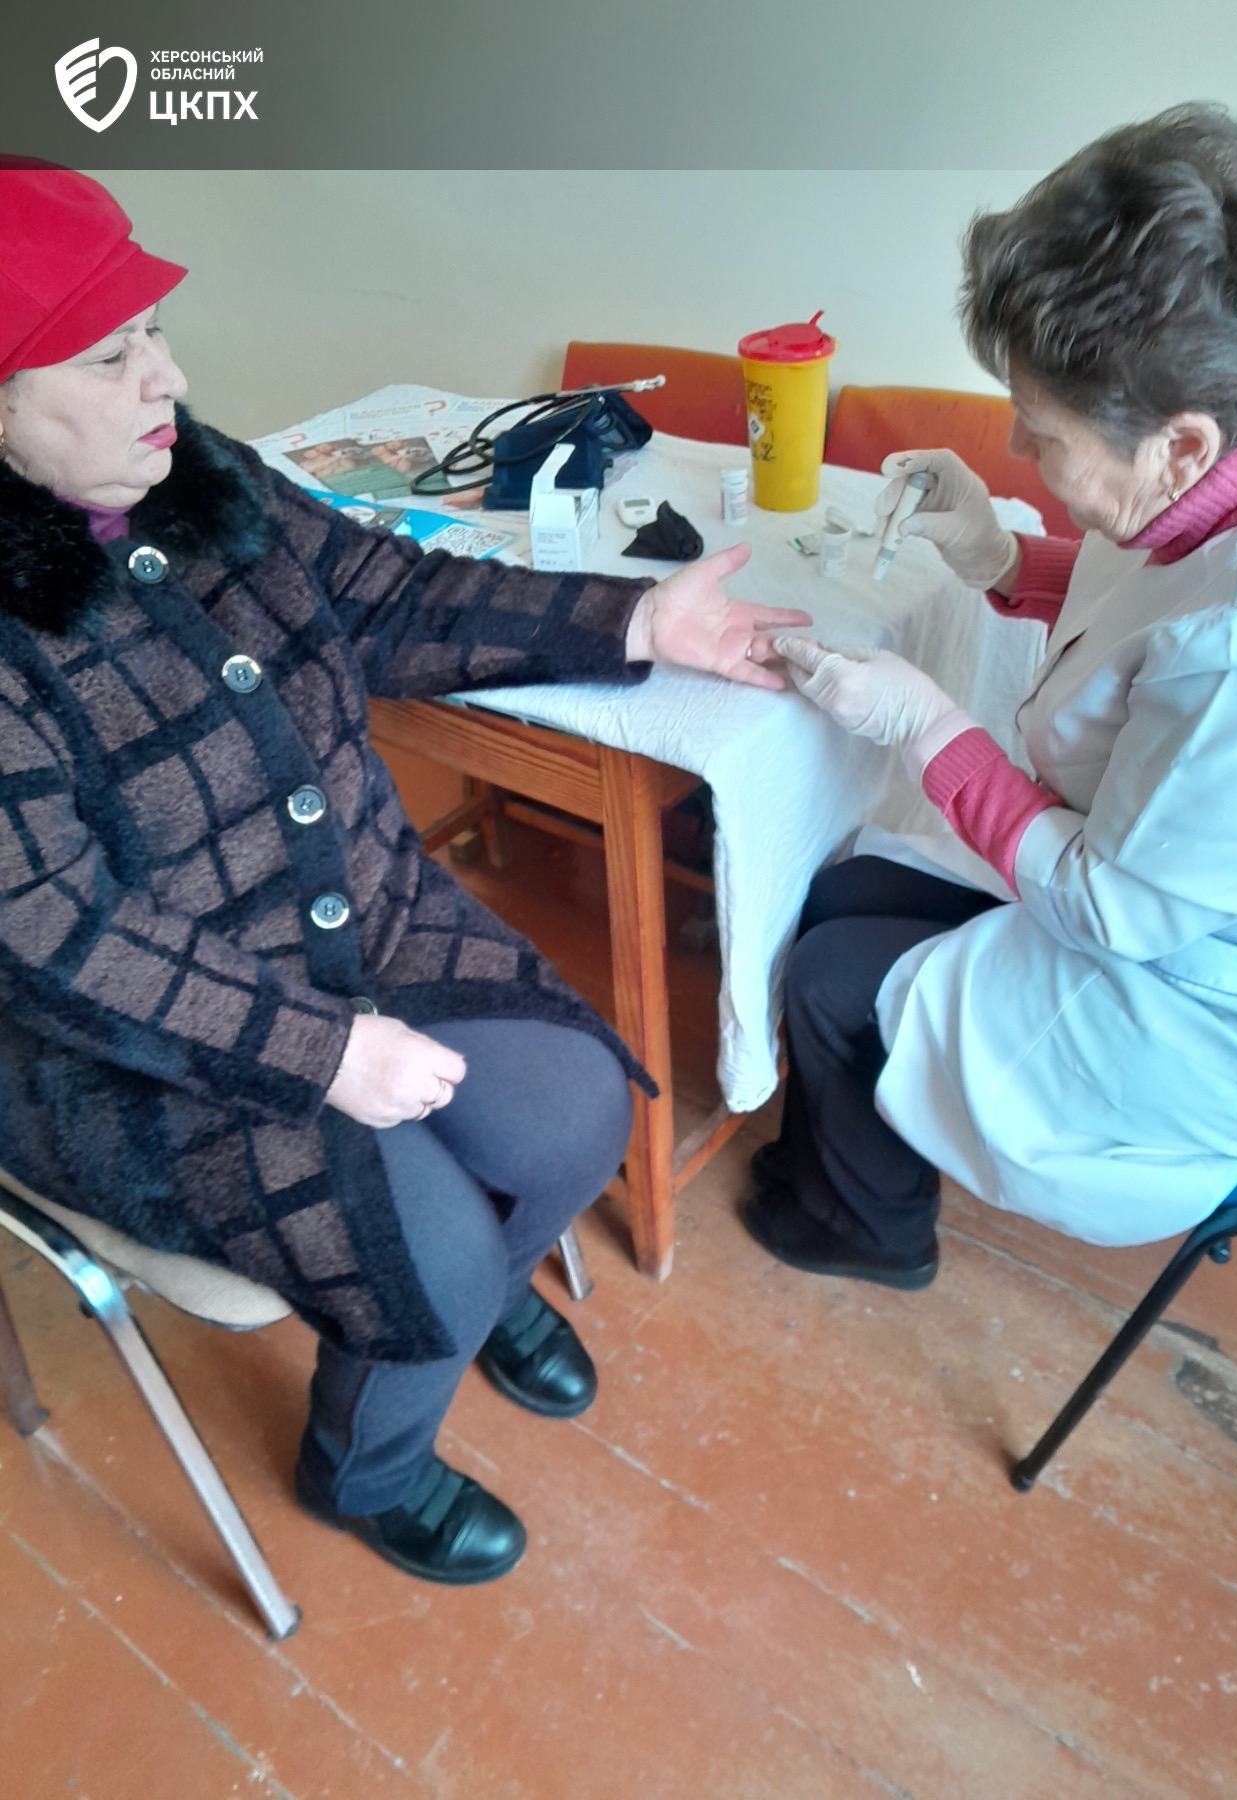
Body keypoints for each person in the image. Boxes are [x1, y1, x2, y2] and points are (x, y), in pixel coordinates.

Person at [0, 165, 809, 1585]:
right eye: (110, 355)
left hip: (354, 905)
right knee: (422, 1258)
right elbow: (52, 938)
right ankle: (365, 1464)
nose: (166, 377)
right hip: (133, 1044)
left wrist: (639, 625)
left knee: (573, 1112)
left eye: (155, 333)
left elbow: (382, 592)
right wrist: (316, 1049)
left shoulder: (193, 469)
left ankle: (477, 1288)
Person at [749, 103, 1237, 1290]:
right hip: (1166, 874)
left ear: (1181, 446)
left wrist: (927, 727)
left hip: (1222, 999)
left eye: (1041, 433)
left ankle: (869, 1232)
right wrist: (1001, 554)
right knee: (843, 892)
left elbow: (1116, 901)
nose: (1022, 452)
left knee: (827, 980)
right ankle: (844, 1171)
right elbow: (1161, 595)